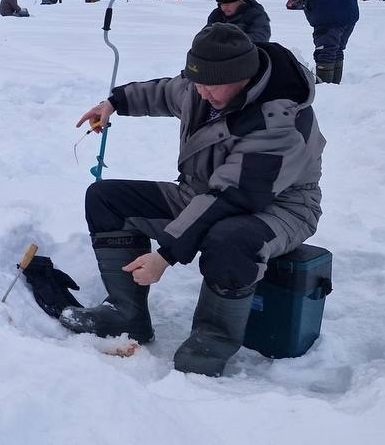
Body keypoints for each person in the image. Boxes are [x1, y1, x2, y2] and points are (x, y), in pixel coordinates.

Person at [62, 23, 324, 377]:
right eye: (198, 83)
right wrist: (114, 102)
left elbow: (234, 197)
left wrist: (166, 254)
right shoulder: (204, 88)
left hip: (278, 209)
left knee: (229, 238)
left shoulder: (279, 123)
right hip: (205, 192)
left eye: (211, 86)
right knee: (106, 198)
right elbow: (166, 92)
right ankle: (128, 316)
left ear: (243, 76)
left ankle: (210, 342)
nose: (202, 94)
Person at [206, 0, 271, 43]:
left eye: (228, 5)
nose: (224, 8)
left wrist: (227, 41)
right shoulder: (217, 14)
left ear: (240, 2)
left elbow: (260, 38)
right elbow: (204, 35)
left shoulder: (256, 14)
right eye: (221, 4)